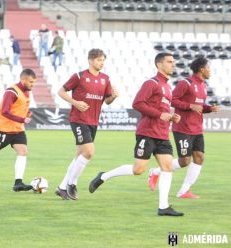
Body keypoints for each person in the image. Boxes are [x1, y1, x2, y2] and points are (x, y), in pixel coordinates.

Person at [88, 53, 184, 217]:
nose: (173, 64)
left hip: (162, 134)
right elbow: (137, 103)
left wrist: (171, 117)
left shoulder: (168, 87)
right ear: (159, 65)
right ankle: (104, 176)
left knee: (167, 168)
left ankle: (164, 207)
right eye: (169, 62)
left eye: (173, 62)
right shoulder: (151, 83)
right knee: (138, 169)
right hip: (147, 133)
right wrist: (159, 115)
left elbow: (162, 109)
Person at [148, 57, 220, 198]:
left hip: (197, 128)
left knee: (199, 157)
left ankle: (184, 190)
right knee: (185, 161)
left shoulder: (203, 86)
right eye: (209, 68)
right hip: (183, 128)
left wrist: (209, 108)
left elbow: (197, 106)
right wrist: (190, 106)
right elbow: (173, 100)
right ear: (201, 69)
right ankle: (155, 172)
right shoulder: (185, 83)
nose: (210, 71)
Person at [54, 49, 118, 200]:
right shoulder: (79, 76)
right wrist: (75, 103)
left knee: (79, 155)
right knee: (89, 152)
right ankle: (72, 183)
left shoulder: (105, 79)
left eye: (103, 60)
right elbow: (61, 91)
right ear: (90, 61)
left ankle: (62, 187)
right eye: (99, 60)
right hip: (78, 119)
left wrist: (113, 97)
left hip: (93, 121)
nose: (101, 63)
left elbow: (107, 101)